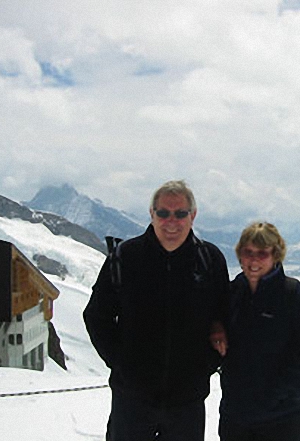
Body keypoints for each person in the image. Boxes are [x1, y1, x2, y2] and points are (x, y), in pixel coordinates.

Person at [84, 180, 230, 441]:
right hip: (132, 402)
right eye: (163, 213)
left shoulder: (210, 260)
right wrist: (121, 364)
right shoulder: (124, 257)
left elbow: (225, 314)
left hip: (187, 403)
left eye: (180, 213)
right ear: (151, 214)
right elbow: (97, 316)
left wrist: (205, 365)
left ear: (192, 216)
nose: (171, 221)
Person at [219, 222, 300, 441]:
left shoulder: (293, 295)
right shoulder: (232, 294)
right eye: (248, 252)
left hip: (284, 420)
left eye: (262, 253)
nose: (254, 260)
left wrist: (279, 395)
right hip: (237, 419)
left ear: (276, 255)